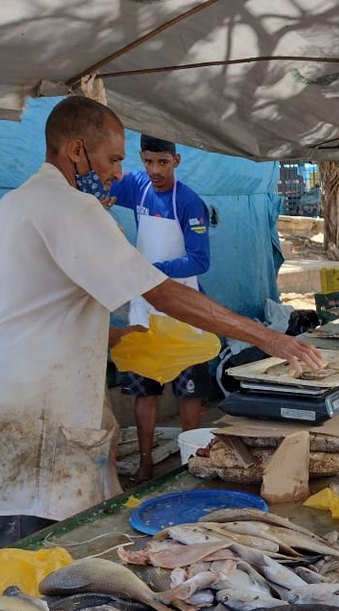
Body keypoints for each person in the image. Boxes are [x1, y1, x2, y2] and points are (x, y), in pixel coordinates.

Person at [0, 97, 323, 552]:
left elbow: (27, 303)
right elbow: (161, 292)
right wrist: (269, 337)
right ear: (76, 151)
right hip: (33, 402)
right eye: (112, 159)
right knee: (27, 541)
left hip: (6, 386)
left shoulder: (19, 201)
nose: (117, 174)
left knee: (34, 528)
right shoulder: (69, 207)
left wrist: (110, 336)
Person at [108, 135, 212, 481]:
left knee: (189, 391)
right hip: (144, 309)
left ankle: (192, 459)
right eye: (149, 162)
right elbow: (97, 184)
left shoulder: (189, 202)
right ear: (141, 159)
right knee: (144, 388)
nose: (155, 170)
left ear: (176, 160)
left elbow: (200, 260)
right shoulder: (136, 186)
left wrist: (156, 272)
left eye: (163, 163)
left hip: (183, 308)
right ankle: (144, 461)